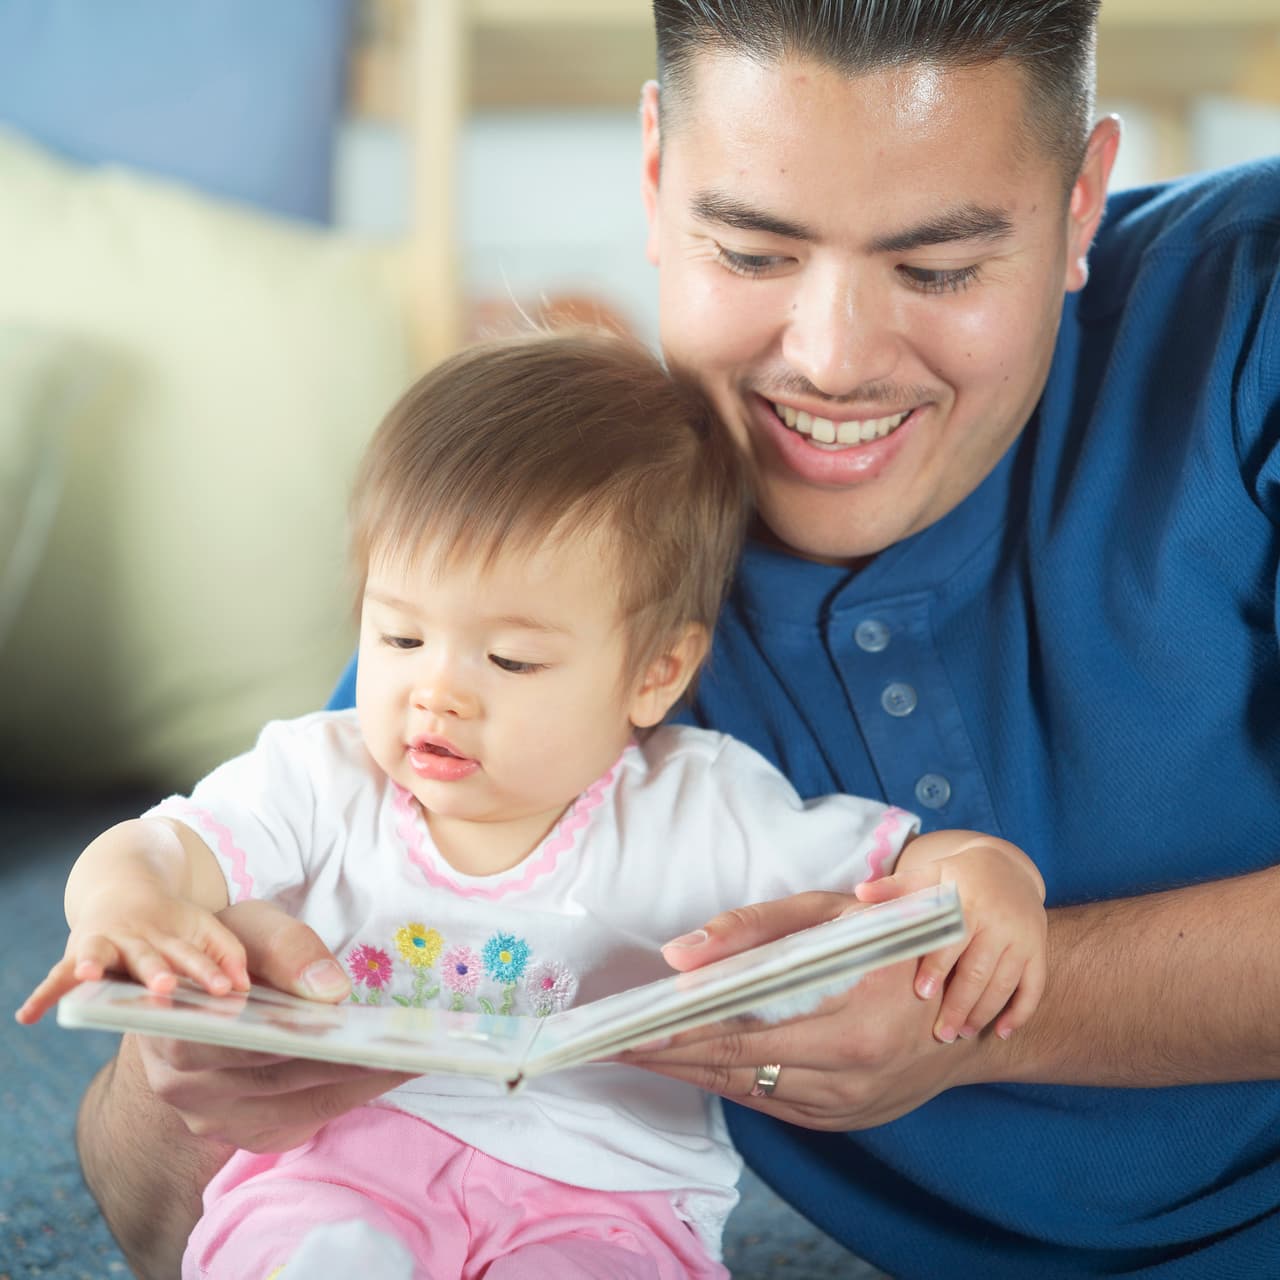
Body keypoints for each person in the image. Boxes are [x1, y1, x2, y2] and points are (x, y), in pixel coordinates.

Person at [70, 1, 1280, 1276]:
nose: (832, 359)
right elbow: (150, 1216)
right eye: (752, 252)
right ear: (654, 177)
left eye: (935, 268)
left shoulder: (1249, 307)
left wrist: (984, 1009)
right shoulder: (548, 604)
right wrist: (191, 1058)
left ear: (1082, 200)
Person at [21, 332, 1048, 1278]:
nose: (437, 690)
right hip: (339, 1167)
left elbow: (907, 866)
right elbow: (157, 847)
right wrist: (125, 901)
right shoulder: (320, 774)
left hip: (601, 1200)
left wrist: (987, 877)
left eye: (509, 657)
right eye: (398, 636)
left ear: (653, 672)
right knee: (311, 1249)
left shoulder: (705, 802)